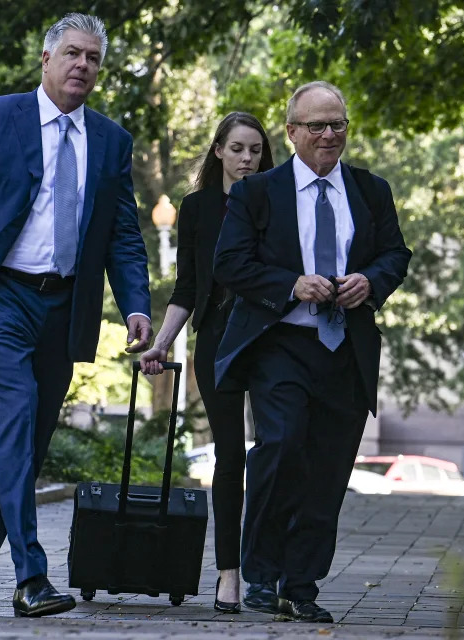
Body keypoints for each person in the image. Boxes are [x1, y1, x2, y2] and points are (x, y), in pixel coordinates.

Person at [0, 13, 152, 619]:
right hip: (1, 300)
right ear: (45, 59)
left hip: (64, 308)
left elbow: (123, 234)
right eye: (72, 53)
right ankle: (30, 576)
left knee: (28, 445)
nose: (82, 66)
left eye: (93, 58)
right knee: (16, 423)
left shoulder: (111, 142)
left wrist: (137, 306)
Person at [211, 81, 411, 623]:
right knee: (280, 446)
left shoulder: (371, 191)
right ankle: (260, 574)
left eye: (338, 124)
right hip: (281, 344)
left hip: (345, 348)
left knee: (327, 468)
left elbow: (397, 253)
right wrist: (291, 284)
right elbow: (229, 263)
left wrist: (370, 280)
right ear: (293, 131)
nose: (329, 134)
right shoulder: (258, 193)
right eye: (317, 125)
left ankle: (301, 584)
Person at [139, 112, 273, 613]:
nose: (246, 159)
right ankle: (228, 574)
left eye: (255, 151)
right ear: (218, 150)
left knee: (274, 452)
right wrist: (161, 342)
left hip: (270, 338)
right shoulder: (195, 209)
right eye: (237, 148)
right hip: (218, 339)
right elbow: (188, 289)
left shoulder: (275, 200)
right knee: (230, 455)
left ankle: (268, 568)